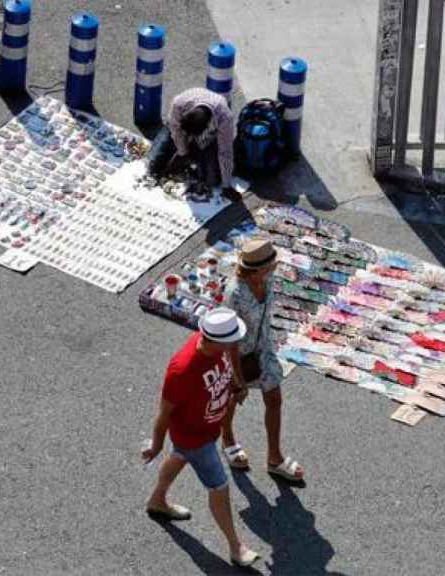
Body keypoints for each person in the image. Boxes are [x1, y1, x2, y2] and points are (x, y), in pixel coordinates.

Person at [142, 307, 259, 568]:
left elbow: (230, 360)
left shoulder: (217, 346)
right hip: (195, 437)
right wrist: (156, 445)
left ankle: (157, 500)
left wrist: (236, 386)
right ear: (214, 340)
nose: (236, 344)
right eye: (231, 341)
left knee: (180, 456)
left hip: (205, 430)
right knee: (219, 486)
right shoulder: (182, 370)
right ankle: (235, 547)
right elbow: (164, 414)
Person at [220, 237, 306, 481]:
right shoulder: (235, 294)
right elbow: (230, 343)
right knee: (233, 399)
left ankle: (274, 458)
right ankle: (227, 438)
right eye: (271, 266)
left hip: (263, 348)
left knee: (275, 399)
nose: (275, 269)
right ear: (256, 269)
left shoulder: (267, 279)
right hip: (239, 354)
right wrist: (238, 379)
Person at [146, 87, 239, 201]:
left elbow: (225, 152)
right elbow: (176, 131)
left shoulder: (225, 119)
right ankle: (184, 156)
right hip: (177, 126)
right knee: (154, 164)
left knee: (213, 181)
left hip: (211, 136)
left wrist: (227, 185)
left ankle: (196, 155)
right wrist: (182, 152)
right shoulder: (179, 103)